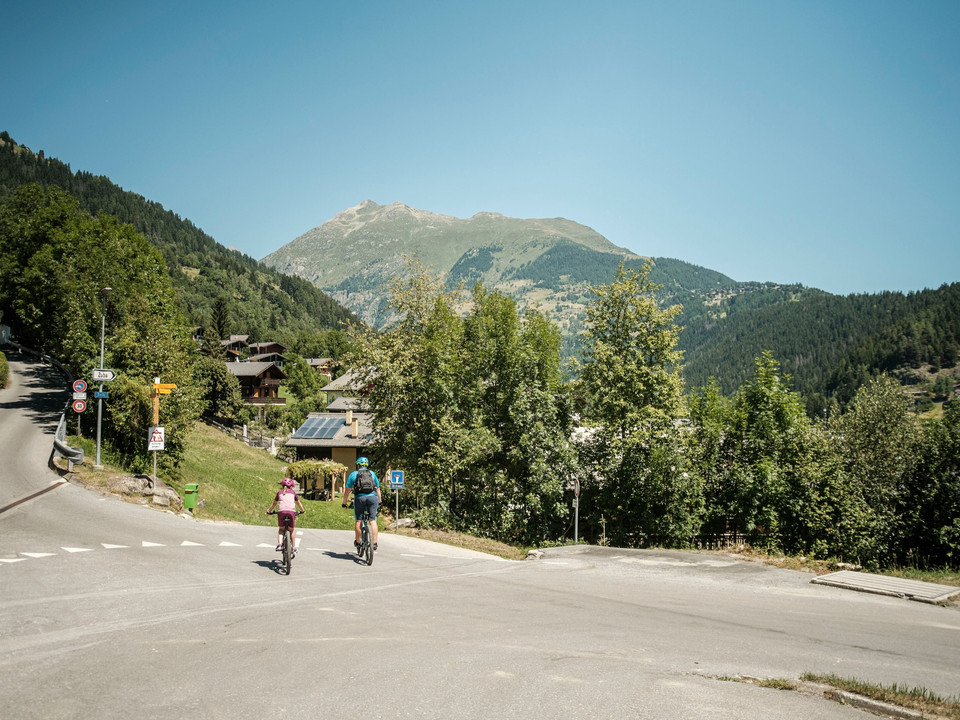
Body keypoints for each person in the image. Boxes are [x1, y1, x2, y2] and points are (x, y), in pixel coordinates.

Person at [342, 456, 381, 554]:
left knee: (358, 520)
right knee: (372, 520)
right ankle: (375, 543)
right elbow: (377, 488)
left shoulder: (354, 474)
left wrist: (344, 503)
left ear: (358, 465)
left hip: (360, 498)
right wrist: (379, 501)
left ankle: (358, 542)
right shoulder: (372, 474)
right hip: (373, 498)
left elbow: (347, 490)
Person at [267, 477, 305, 554]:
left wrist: (269, 511)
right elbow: (298, 503)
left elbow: (274, 504)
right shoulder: (293, 493)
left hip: (281, 512)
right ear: (291, 486)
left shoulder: (279, 492)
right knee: (291, 530)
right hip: (291, 512)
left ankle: (280, 545)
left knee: (281, 529)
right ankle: (293, 548)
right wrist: (302, 510)